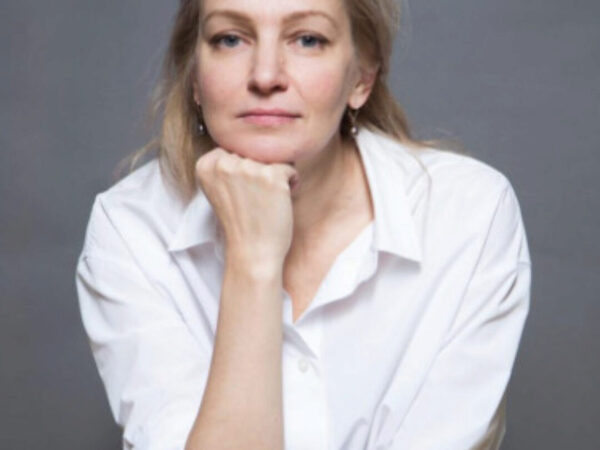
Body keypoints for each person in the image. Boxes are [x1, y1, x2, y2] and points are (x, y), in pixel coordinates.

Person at [75, 0, 532, 449]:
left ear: (362, 77)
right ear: (195, 75)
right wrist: (254, 262)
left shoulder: (468, 216)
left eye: (308, 39)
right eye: (230, 39)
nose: (265, 76)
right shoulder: (131, 230)